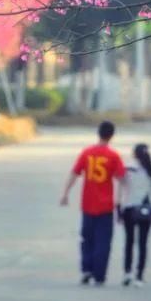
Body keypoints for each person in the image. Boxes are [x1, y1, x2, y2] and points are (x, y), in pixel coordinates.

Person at [59, 121, 126, 285]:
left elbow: (74, 173)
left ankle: (86, 269)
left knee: (87, 238)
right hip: (105, 206)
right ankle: (99, 274)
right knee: (103, 241)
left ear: (98, 133)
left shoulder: (87, 153)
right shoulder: (113, 156)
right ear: (112, 136)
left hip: (88, 203)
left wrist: (65, 193)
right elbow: (122, 179)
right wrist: (120, 201)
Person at [117, 143, 151, 287]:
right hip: (145, 209)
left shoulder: (127, 169)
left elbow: (121, 189)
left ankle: (127, 272)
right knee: (143, 243)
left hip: (129, 208)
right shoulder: (150, 171)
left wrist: (118, 209)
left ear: (134, 154)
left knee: (129, 241)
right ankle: (139, 276)